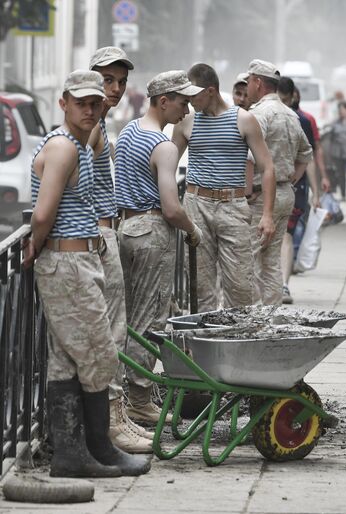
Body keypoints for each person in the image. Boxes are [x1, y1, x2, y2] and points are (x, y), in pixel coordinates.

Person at [25, 70, 150, 477]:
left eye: (96, 103)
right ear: (63, 103)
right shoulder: (63, 147)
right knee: (100, 355)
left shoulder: (77, 145)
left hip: (74, 260)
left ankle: (71, 456)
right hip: (67, 262)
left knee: (67, 360)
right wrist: (33, 248)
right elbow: (43, 213)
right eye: (82, 103)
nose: (91, 109)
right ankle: (99, 448)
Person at [115, 70, 203, 425]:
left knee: (129, 317)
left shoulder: (128, 132)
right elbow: (170, 206)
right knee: (150, 318)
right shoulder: (164, 146)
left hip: (127, 228)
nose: (187, 109)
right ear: (163, 101)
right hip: (153, 231)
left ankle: (122, 394)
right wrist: (192, 228)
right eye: (183, 102)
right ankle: (138, 399)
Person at [87, 46, 154, 454]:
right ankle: (112, 423)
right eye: (107, 80)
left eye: (120, 82)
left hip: (105, 233)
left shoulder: (101, 123)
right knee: (109, 334)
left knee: (112, 329)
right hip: (96, 236)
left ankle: (117, 416)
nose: (114, 88)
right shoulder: (90, 127)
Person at [172, 63, 276, 313]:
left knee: (240, 285)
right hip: (196, 204)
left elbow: (267, 167)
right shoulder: (186, 121)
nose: (189, 101)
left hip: (233, 206)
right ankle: (202, 345)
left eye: (193, 95)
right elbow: (167, 165)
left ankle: (238, 342)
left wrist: (267, 215)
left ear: (210, 91)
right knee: (199, 286)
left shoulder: (243, 119)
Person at [246, 59, 313, 305]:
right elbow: (306, 154)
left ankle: (252, 318)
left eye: (249, 82)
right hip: (285, 192)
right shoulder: (290, 114)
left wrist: (247, 190)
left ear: (257, 83)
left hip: (261, 197)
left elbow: (250, 156)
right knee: (272, 261)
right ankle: (271, 316)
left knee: (250, 259)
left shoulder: (258, 115)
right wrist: (291, 178)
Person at [276, 76, 319, 304]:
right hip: (267, 186)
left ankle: (283, 285)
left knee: (286, 234)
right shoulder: (263, 116)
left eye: (285, 99)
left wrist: (316, 191)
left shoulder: (301, 121)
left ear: (293, 97)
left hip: (293, 187)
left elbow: (308, 156)